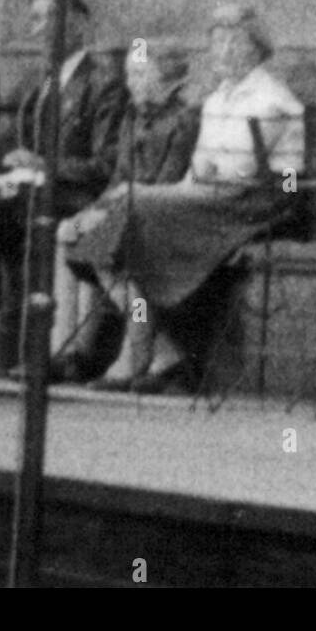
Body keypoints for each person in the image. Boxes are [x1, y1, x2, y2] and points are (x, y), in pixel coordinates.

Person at [75, 3, 305, 395]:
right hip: (207, 196)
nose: (224, 51)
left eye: (236, 42)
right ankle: (159, 352)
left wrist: (173, 188)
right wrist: (179, 187)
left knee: (130, 209)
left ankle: (140, 353)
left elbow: (244, 169)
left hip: (250, 204)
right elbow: (201, 167)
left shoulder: (272, 98)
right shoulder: (217, 99)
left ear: (256, 48)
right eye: (217, 42)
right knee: (113, 235)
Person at [0, 0, 128, 377]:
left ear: (79, 24)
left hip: (82, 195)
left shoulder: (103, 83)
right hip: (41, 189)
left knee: (17, 212)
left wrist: (42, 165)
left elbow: (104, 165)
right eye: (35, 19)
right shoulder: (39, 83)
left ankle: (46, 351)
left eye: (50, 17)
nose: (40, 29)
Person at [50, 37, 201, 386]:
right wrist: (93, 211)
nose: (131, 83)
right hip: (130, 209)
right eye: (129, 74)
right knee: (75, 235)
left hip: (163, 212)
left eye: (140, 73)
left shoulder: (184, 120)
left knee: (120, 257)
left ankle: (133, 354)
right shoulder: (131, 118)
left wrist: (106, 214)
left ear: (168, 78)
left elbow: (167, 181)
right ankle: (155, 352)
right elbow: (118, 177)